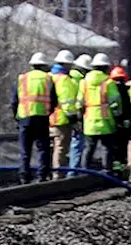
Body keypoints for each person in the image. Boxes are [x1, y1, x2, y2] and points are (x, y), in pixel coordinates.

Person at [10, 51, 54, 184]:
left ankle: (24, 175)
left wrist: (16, 117)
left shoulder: (22, 78)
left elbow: (14, 101)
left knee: (25, 149)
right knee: (43, 148)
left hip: (25, 117)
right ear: (44, 65)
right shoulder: (48, 79)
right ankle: (42, 175)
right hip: (41, 117)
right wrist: (48, 112)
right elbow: (54, 100)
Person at [79, 53, 120, 171]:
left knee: (89, 147)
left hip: (89, 121)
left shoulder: (84, 82)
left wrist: (79, 117)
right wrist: (117, 117)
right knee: (106, 148)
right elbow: (115, 102)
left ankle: (84, 171)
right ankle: (107, 170)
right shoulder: (109, 82)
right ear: (106, 67)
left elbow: (79, 102)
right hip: (106, 121)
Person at [48, 49, 81, 179]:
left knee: (50, 147)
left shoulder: (49, 76)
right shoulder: (64, 80)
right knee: (60, 147)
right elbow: (67, 102)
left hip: (46, 117)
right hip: (60, 118)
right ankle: (58, 173)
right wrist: (73, 119)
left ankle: (49, 171)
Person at [109, 65, 131, 178]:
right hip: (123, 124)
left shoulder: (109, 90)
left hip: (112, 123)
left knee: (113, 148)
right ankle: (121, 171)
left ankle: (115, 170)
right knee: (121, 148)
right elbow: (129, 108)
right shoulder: (125, 90)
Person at [69, 53, 94, 168]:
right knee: (77, 144)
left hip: (62, 115)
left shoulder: (67, 77)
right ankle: (74, 171)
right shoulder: (81, 81)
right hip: (78, 116)